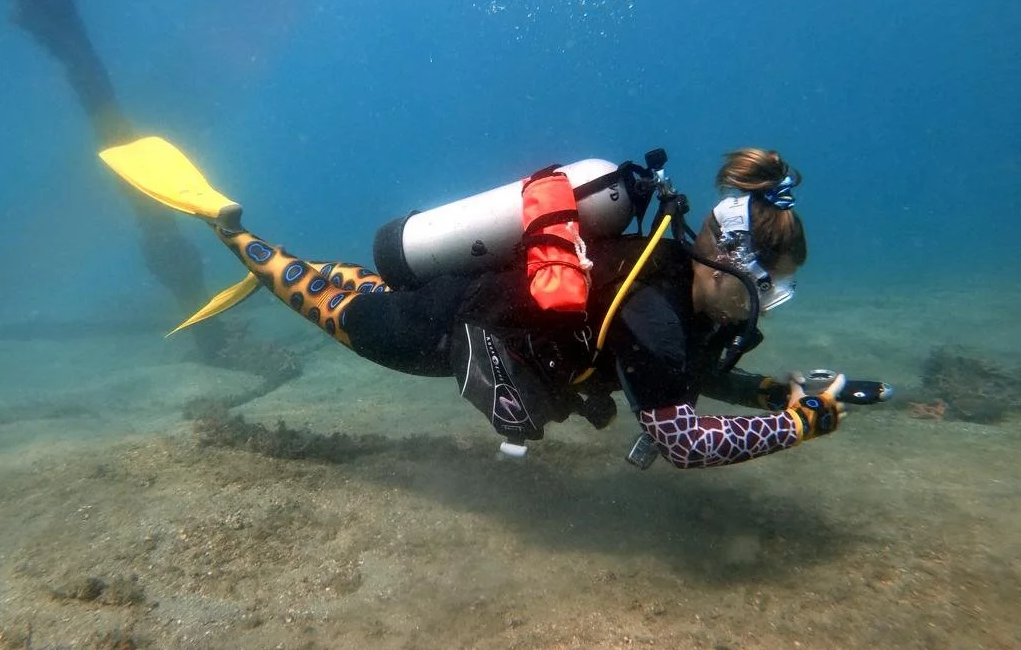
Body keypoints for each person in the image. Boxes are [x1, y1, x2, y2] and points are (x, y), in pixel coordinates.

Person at [98, 137, 852, 470]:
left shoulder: (662, 283)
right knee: (312, 295)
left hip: (464, 293)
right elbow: (684, 441)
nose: (763, 308)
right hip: (429, 329)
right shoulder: (653, 310)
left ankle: (262, 252)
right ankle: (226, 227)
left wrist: (768, 390)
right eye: (764, 289)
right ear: (723, 263)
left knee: (343, 280)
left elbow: (681, 376)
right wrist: (798, 424)